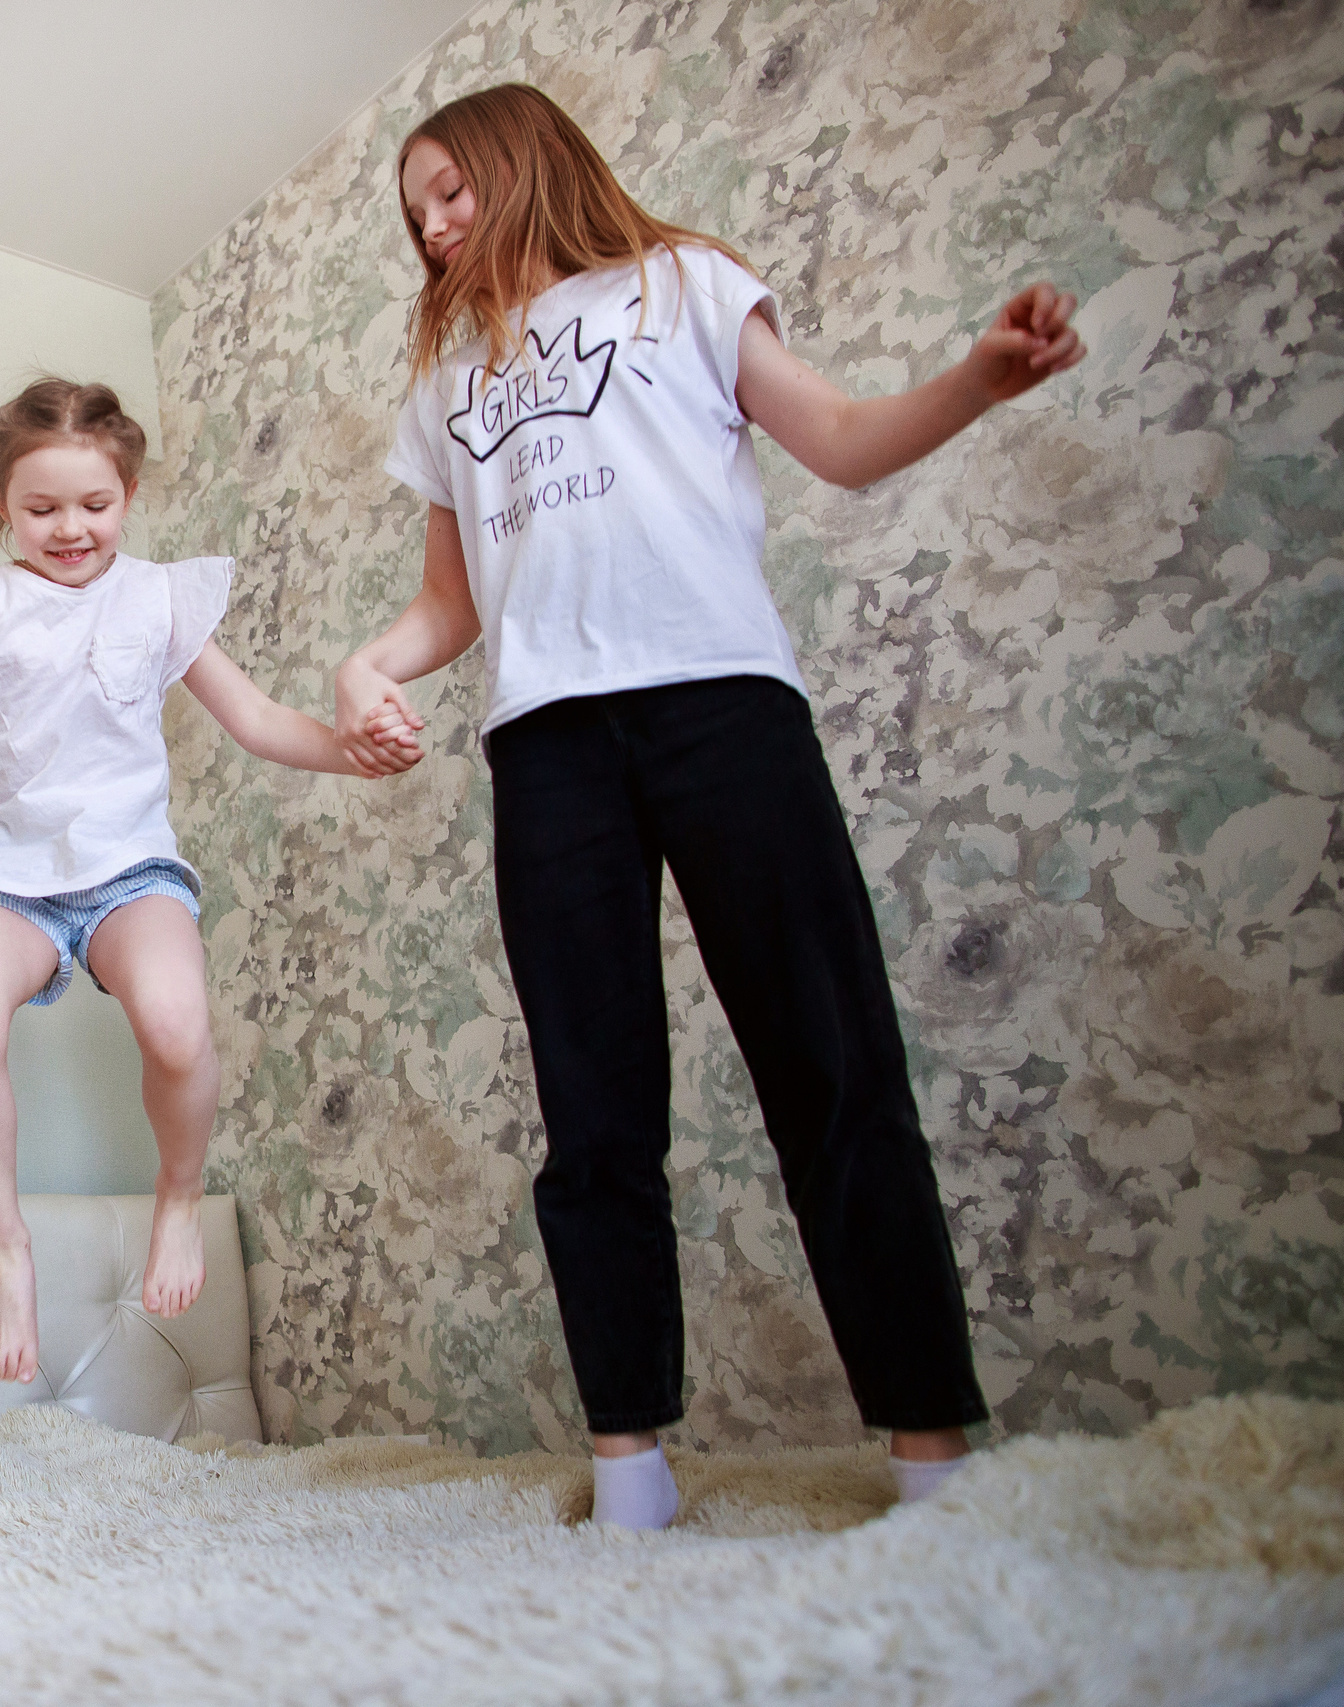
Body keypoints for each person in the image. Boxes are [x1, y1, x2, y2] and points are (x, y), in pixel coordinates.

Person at [332, 84, 1084, 1528]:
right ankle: (632, 1467)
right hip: (546, 743)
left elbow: (847, 437)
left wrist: (978, 380)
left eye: (450, 189)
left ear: (522, 160)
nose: (432, 224)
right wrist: (371, 660)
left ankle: (931, 1455)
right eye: (415, 210)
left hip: (722, 706)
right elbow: (450, 600)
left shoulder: (685, 283)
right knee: (594, 1105)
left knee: (834, 1064)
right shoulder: (448, 385)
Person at [0, 378, 367, 1384]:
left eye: (95, 505)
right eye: (41, 509)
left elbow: (258, 721)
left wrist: (353, 752)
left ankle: (178, 1197)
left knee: (177, 1024)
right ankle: (6, 1248)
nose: (71, 528)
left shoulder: (159, 596)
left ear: (128, 491)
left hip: (131, 869)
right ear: (1, 503)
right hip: (9, 875)